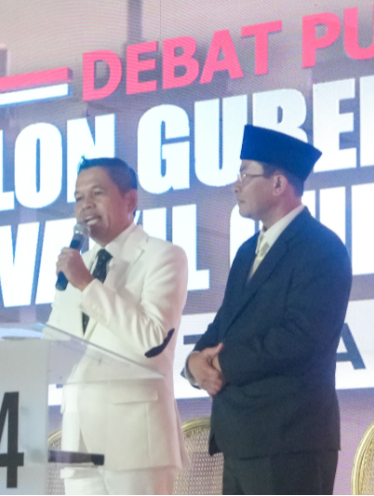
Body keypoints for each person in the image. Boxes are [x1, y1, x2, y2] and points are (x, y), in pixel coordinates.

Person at [186, 125, 352, 496]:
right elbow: (225, 323)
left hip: (290, 439)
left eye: (245, 174)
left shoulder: (321, 248)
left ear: (278, 184)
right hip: (240, 438)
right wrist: (195, 361)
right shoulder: (247, 251)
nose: (236, 186)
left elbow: (301, 337)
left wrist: (222, 363)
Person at [48, 157, 189, 496]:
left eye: (97, 193)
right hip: (79, 443)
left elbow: (152, 338)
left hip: (136, 444)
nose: (85, 205)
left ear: (130, 200)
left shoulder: (163, 256)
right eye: (78, 198)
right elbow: (55, 345)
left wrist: (86, 284)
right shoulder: (79, 265)